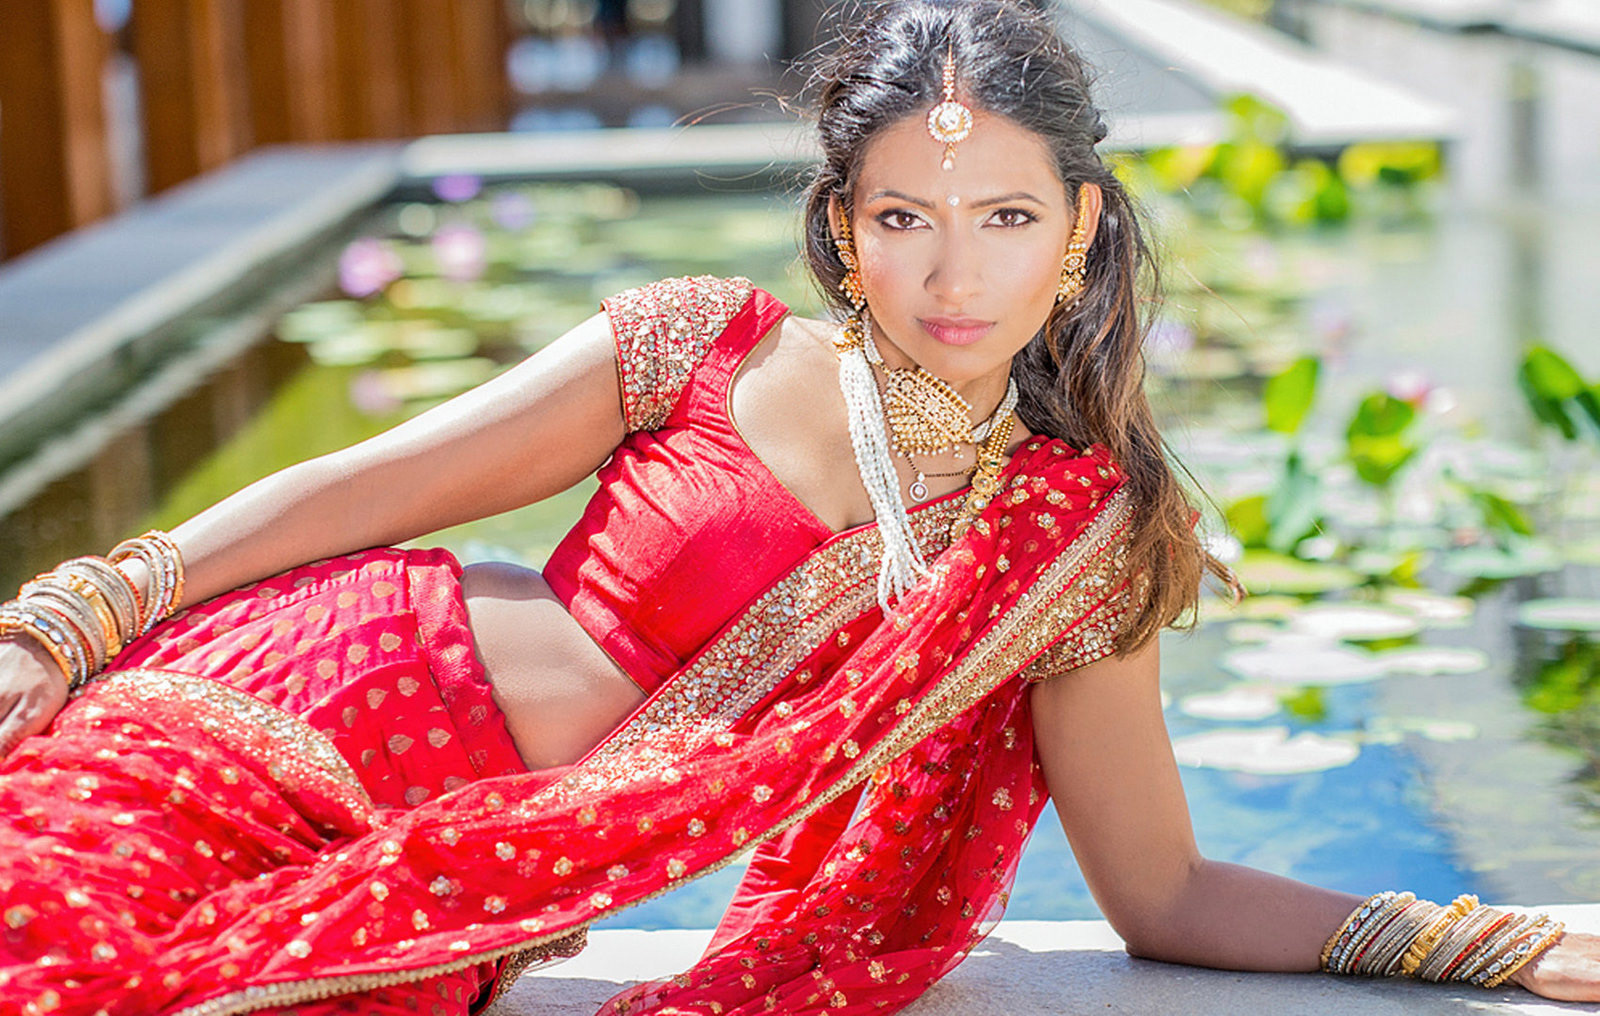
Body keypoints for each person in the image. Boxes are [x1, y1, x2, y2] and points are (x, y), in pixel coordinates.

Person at [1, 2, 1595, 1013]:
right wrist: (70, 613)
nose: (953, 272)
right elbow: (365, 486)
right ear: (841, 223)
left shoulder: (1075, 540)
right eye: (903, 216)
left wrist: (1484, 944)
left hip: (460, 885)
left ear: (1081, 224)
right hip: (281, 708)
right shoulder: (699, 341)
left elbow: (1163, 891)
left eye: (1006, 217)